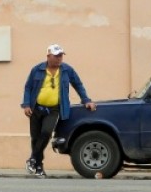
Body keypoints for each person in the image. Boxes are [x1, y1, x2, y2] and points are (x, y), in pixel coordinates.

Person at [21, 44, 96, 178]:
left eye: (61, 55)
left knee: (46, 132)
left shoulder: (67, 70)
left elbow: (78, 84)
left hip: (54, 109)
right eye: (56, 56)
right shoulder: (37, 70)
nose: (59, 58)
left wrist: (86, 100)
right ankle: (38, 166)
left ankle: (32, 159)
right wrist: (26, 105)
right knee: (35, 138)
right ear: (48, 56)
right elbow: (28, 87)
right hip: (36, 108)